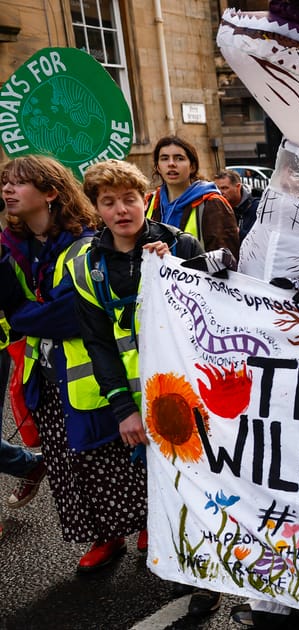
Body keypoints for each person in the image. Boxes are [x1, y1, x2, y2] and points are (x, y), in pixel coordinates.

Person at [71, 159, 220, 614]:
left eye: (129, 199)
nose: (122, 210)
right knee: (162, 489)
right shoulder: (88, 265)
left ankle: (206, 582)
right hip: (138, 401)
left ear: (145, 198)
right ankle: (180, 571)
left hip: (189, 395)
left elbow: (215, 310)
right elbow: (98, 343)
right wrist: (123, 409)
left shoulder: (180, 243)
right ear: (97, 209)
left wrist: (175, 267)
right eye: (109, 202)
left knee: (198, 486)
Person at [0, 155, 141, 571]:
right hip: (46, 373)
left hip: (92, 372)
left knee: (113, 458)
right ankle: (106, 537)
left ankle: (147, 526)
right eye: (5, 182)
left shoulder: (83, 244)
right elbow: (12, 303)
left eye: (19, 183)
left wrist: (21, 317)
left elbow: (69, 315)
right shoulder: (17, 247)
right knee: (68, 465)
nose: (7, 190)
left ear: (50, 193)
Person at [146, 136, 240, 260]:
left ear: (192, 167)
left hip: (195, 278)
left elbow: (226, 260)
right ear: (158, 167)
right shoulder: (150, 201)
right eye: (164, 158)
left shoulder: (212, 203)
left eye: (179, 158)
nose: (171, 164)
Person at [213, 169, 259, 242]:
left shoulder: (256, 208)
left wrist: (235, 230)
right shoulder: (216, 209)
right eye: (217, 189)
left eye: (224, 188)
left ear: (238, 187)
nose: (220, 192)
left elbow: (258, 241)